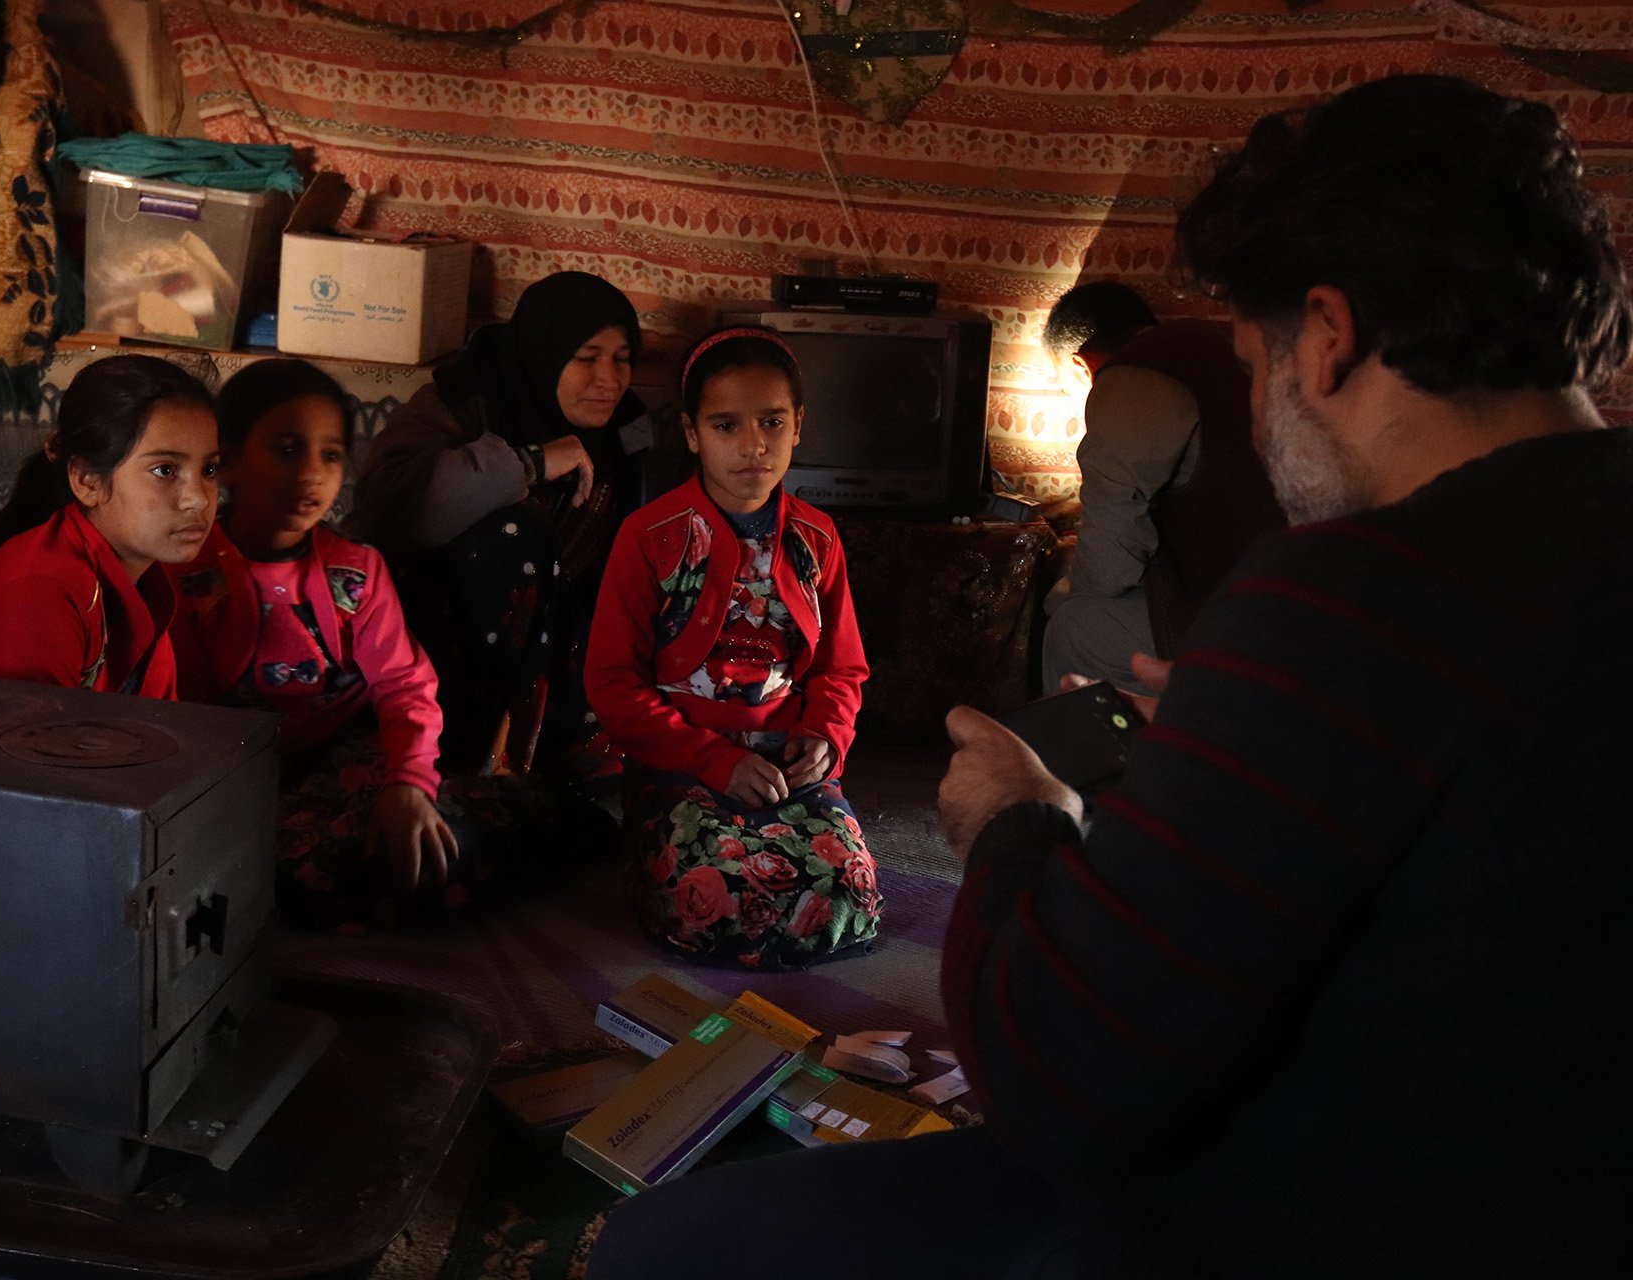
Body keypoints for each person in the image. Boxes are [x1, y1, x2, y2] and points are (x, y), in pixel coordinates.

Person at [588, 74, 1632, 1279]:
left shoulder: (1335, 605)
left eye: (1253, 363)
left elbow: (1059, 1075)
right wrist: (1243, 741)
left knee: (653, 1248)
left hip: (1294, 1216)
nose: (1258, 407)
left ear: (1330, 338)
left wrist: (1018, 823)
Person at [168, 358, 618, 930]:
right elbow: (184, 713)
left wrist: (406, 784)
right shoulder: (187, 577)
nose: (311, 473)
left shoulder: (355, 571)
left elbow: (404, 686)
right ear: (225, 461)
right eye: (286, 449)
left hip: (352, 762)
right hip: (238, 780)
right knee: (262, 873)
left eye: (330, 455)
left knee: (441, 843)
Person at [584, 326, 880, 969]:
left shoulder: (817, 537)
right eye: (725, 426)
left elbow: (842, 665)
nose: (753, 445)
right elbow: (611, 683)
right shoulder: (648, 537)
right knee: (716, 894)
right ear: (691, 433)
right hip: (682, 763)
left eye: (772, 421)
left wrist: (825, 734)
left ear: (798, 424)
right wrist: (711, 761)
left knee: (846, 891)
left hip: (785, 764)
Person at [348, 270, 652, 776]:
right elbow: (386, 509)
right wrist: (528, 463)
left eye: (622, 360)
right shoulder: (464, 401)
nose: (609, 379)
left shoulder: (629, 431)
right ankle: (459, 757)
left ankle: (544, 754)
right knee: (519, 535)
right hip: (428, 639)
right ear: (544, 352)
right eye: (586, 358)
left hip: (562, 643)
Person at [0, 355, 218, 696]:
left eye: (209, 469)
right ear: (86, 480)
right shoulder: (40, 590)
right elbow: (27, 742)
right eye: (165, 470)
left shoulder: (146, 578)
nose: (200, 499)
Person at [1039, 280, 1283, 694]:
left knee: (1070, 626)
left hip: (1246, 624)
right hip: (1299, 596)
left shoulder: (1129, 381)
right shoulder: (1220, 342)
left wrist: (1057, 591)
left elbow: (1106, 573)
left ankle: (1074, 758)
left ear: (1082, 368)